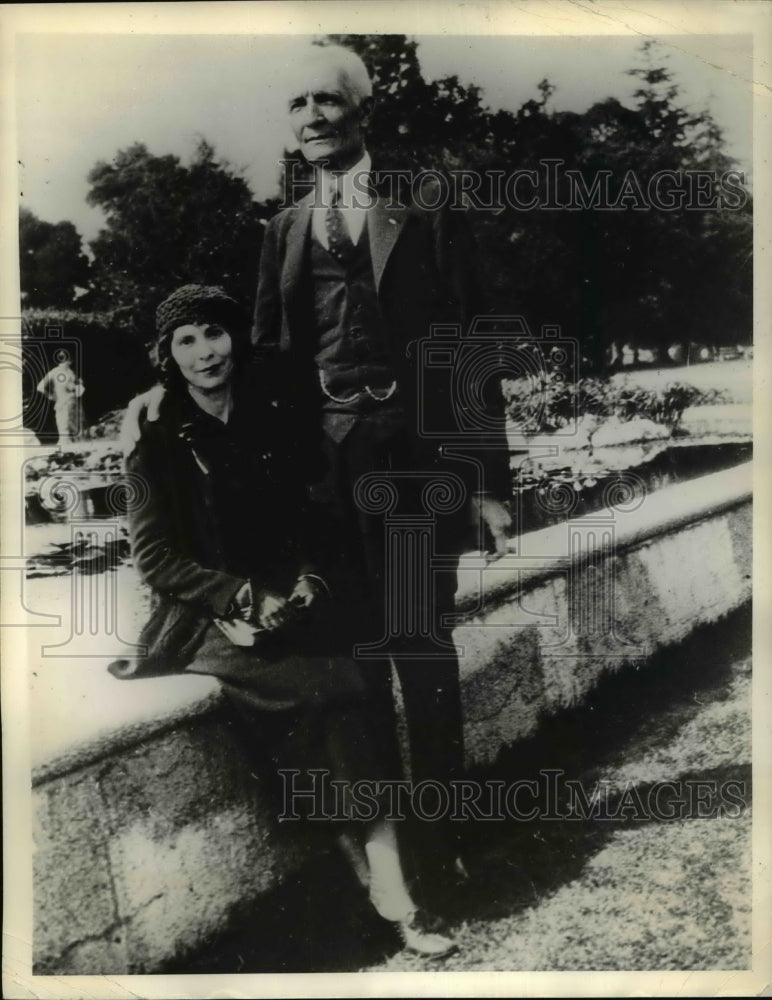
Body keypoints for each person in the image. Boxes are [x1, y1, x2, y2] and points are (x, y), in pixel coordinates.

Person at [122, 43, 513, 904]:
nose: (311, 116)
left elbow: (473, 345)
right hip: (321, 480)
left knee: (419, 646)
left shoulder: (427, 206)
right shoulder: (283, 231)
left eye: (326, 101)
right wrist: (168, 389)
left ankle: (449, 843)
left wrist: (487, 481)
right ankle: (398, 859)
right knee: (354, 664)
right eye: (296, 105)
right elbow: (261, 356)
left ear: (357, 111)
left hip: (413, 460)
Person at [111, 283, 459, 959]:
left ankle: (380, 882)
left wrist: (307, 579)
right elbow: (153, 557)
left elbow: (309, 518)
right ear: (167, 355)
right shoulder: (155, 436)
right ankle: (394, 897)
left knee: (355, 683)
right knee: (324, 690)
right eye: (186, 341)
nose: (205, 352)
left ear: (236, 338)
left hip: (285, 601)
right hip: (206, 614)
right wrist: (240, 597)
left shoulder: (270, 416)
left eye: (214, 333)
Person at [36, 350, 85, 445]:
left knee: (69, 431)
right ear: (69, 360)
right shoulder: (65, 373)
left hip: (68, 403)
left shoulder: (60, 372)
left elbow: (40, 387)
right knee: (67, 432)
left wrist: (51, 396)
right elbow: (72, 387)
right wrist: (51, 395)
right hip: (67, 403)